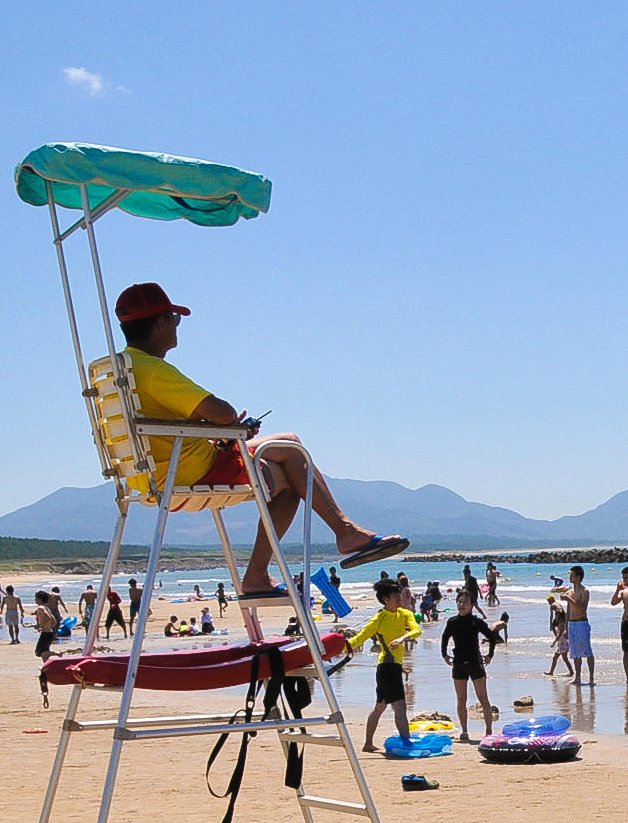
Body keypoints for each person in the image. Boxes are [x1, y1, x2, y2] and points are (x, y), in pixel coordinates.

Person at [108, 282, 406, 602]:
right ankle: (335, 538)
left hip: (148, 477)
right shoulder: (152, 369)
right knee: (291, 470)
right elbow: (222, 411)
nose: (176, 327)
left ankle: (329, 540)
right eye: (175, 319)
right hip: (189, 473)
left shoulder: (120, 371)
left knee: (290, 444)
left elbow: (160, 424)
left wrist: (215, 429)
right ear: (159, 322)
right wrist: (226, 425)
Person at [351, 577, 421, 753]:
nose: (400, 600)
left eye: (400, 597)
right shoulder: (379, 619)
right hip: (386, 669)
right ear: (385, 599)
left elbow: (416, 630)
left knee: (380, 707)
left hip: (391, 668)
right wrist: (339, 646)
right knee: (400, 707)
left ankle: (368, 744)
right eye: (396, 598)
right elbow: (359, 638)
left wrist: (402, 638)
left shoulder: (405, 614)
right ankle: (407, 745)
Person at [440, 590, 501, 742]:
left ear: (472, 605)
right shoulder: (452, 621)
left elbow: (491, 637)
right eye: (459, 601)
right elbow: (445, 638)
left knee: (483, 698)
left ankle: (488, 731)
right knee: (461, 699)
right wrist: (445, 655)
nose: (461, 605)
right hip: (458, 663)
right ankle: (464, 731)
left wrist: (490, 655)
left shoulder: (476, 622)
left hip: (475, 663)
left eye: (465, 602)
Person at [545, 595, 572, 677]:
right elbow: (561, 611)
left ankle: (570, 672)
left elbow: (551, 616)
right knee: (562, 658)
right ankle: (552, 672)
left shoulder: (552, 606)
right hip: (562, 614)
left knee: (562, 658)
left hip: (562, 642)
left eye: (548, 601)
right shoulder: (557, 604)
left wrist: (551, 625)